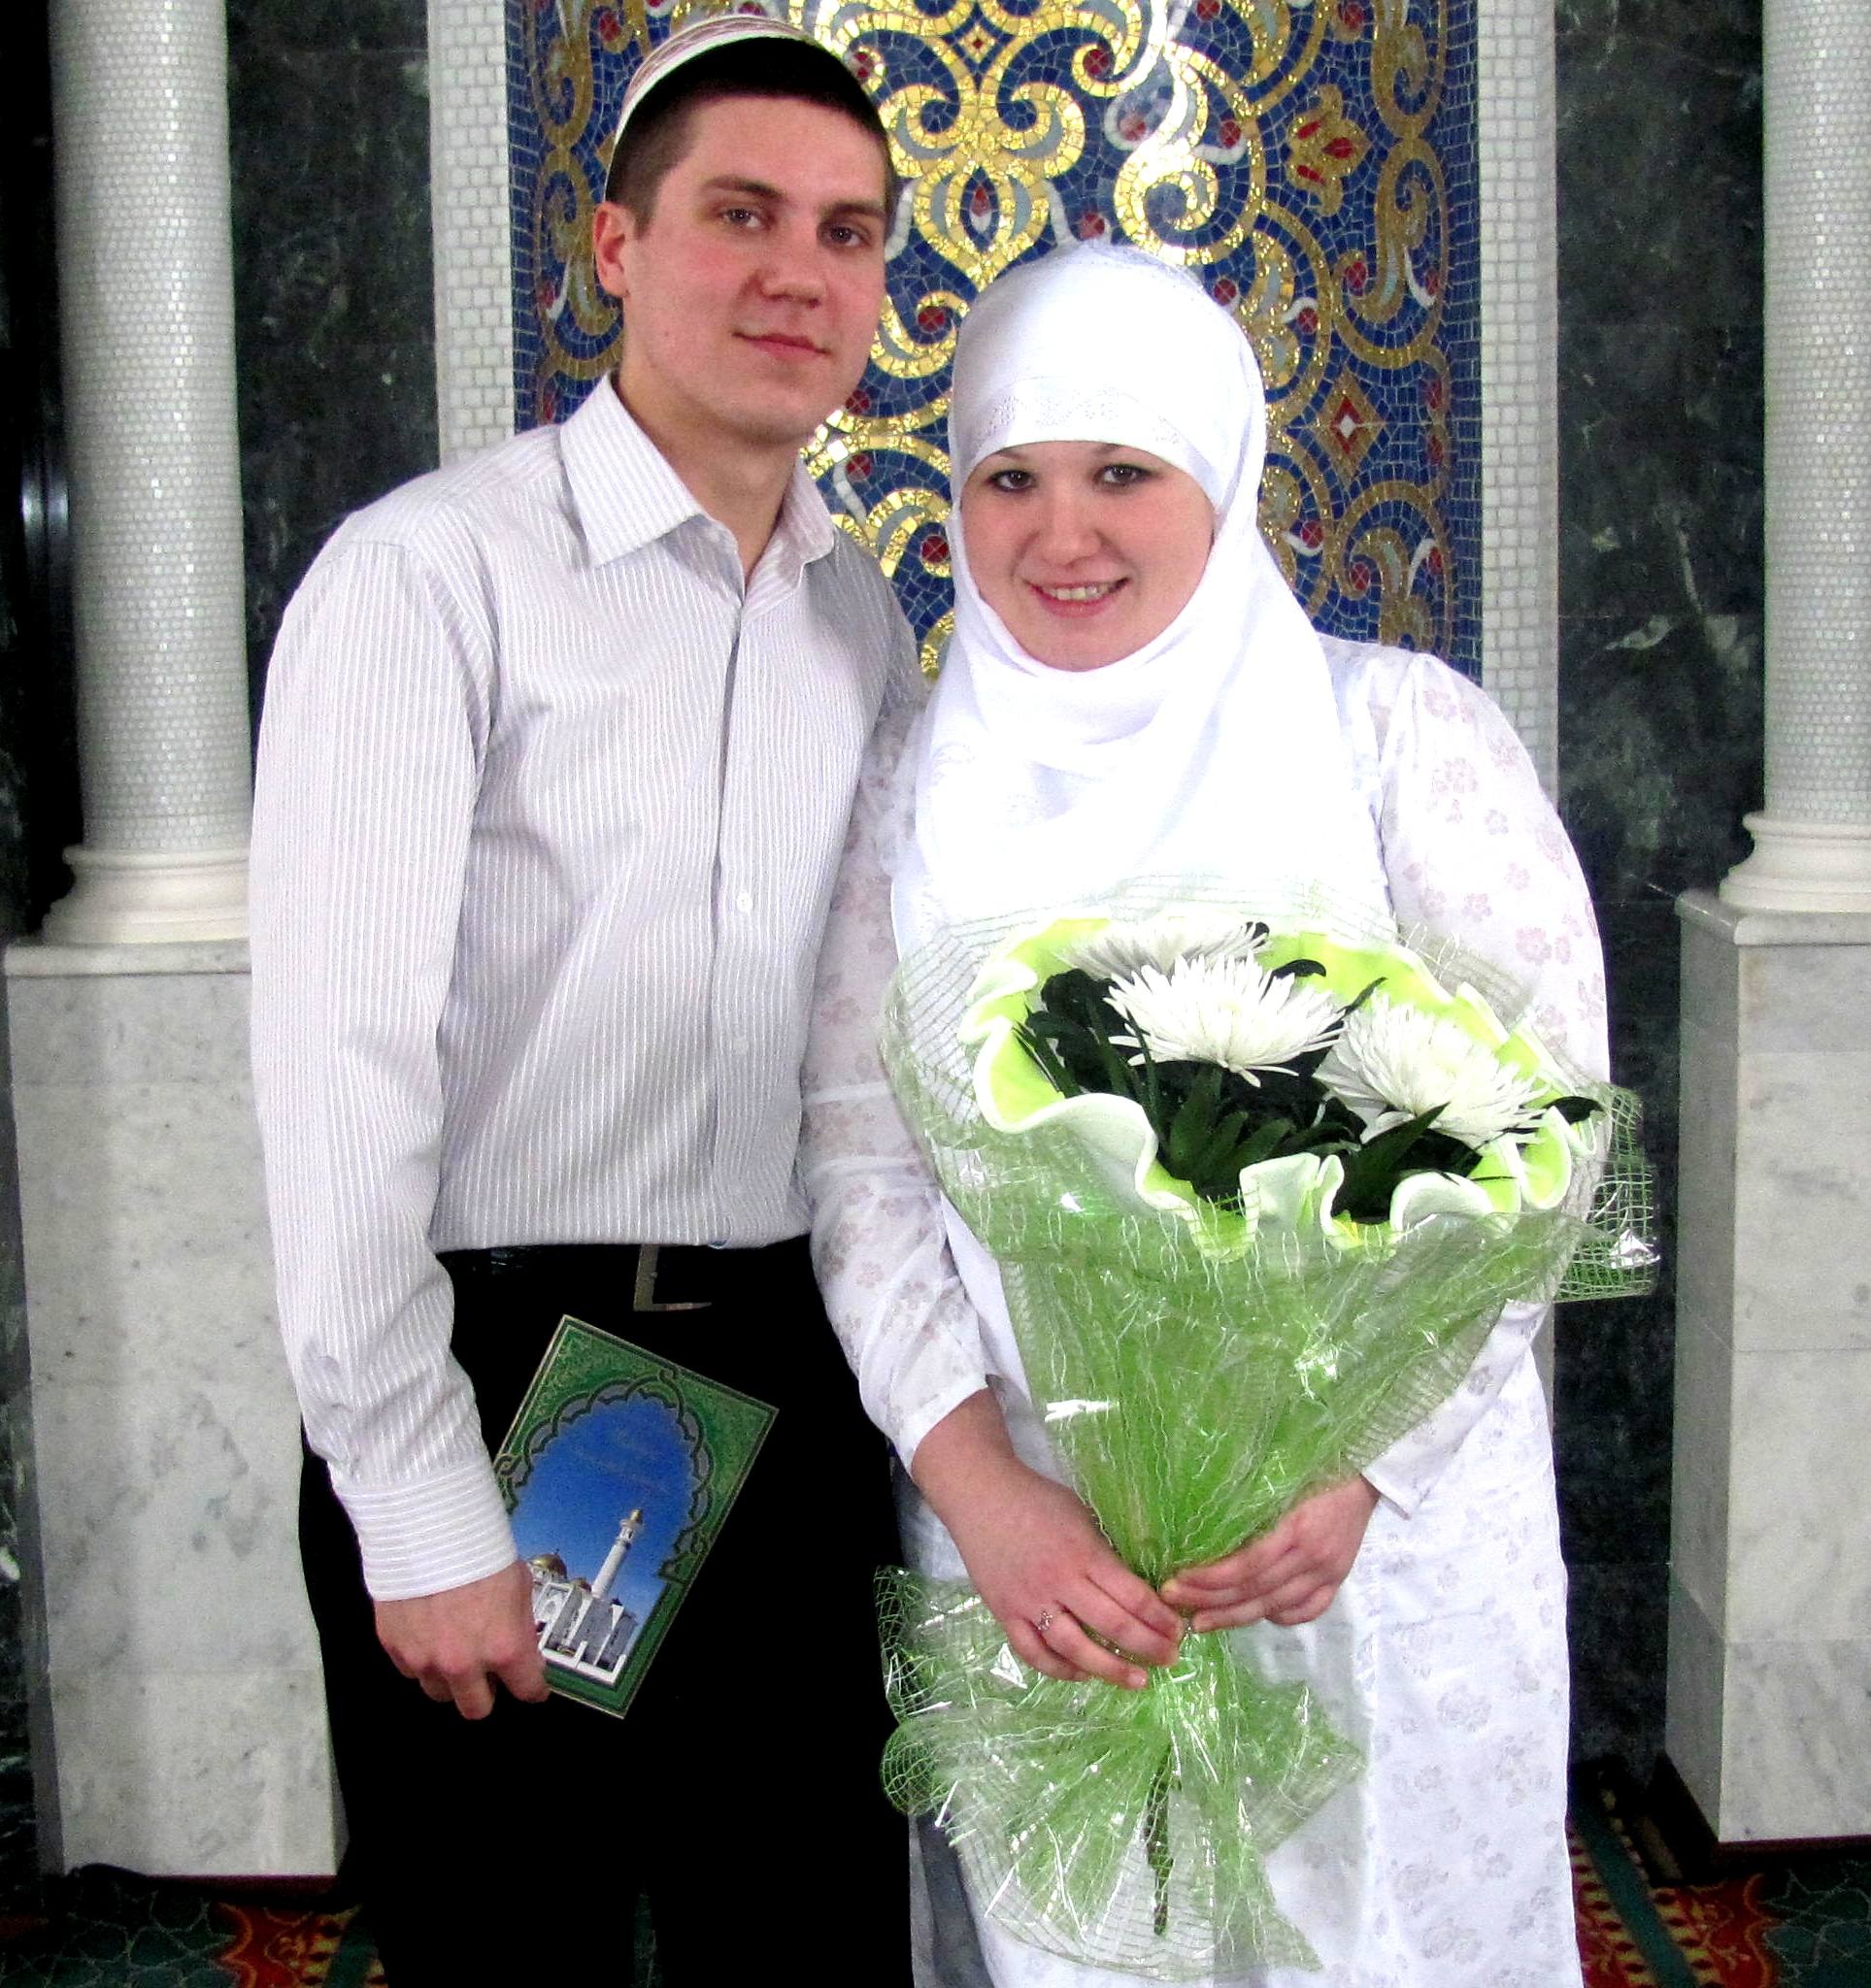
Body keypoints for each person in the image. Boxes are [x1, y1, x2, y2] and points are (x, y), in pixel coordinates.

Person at [802, 242, 1601, 1986]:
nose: (1060, 534)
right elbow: (862, 1166)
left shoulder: (1399, 740)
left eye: (1121, 471)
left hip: (1367, 1549)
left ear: (1225, 479)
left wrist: (1366, 1467)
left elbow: (1549, 1141)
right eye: (1009, 477)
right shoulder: (910, 784)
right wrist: (985, 1493)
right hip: (1050, 1549)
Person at [250, 17, 919, 1984]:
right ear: (616, 247)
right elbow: (341, 1069)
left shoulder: (861, 618)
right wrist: (413, 1496)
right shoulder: (430, 576)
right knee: (513, 1947)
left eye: (848, 232)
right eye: (741, 214)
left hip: (789, 1385)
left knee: (802, 1942)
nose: (799, 273)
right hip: (511, 1379)